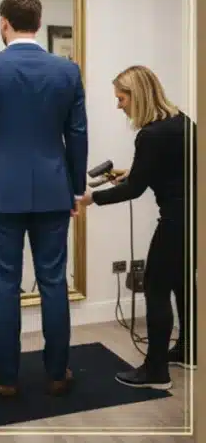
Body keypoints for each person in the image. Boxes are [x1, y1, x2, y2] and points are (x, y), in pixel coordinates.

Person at [0, 0, 88, 397]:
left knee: (4, 286)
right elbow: (78, 134)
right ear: (37, 20)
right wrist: (76, 188)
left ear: (4, 23)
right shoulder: (67, 70)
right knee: (53, 282)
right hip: (54, 189)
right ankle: (56, 374)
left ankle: (7, 379)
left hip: (0, 191)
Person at [78, 65, 197, 389]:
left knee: (156, 287)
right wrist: (133, 170)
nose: (119, 106)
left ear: (137, 96)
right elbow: (174, 168)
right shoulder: (182, 122)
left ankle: (156, 372)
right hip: (195, 218)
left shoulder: (150, 134)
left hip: (175, 220)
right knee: (184, 283)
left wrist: (91, 199)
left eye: (121, 99)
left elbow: (134, 190)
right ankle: (189, 350)